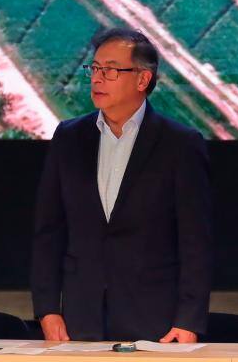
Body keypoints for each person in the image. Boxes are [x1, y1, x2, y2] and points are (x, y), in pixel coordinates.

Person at [31, 27, 211, 342]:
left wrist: (189, 320)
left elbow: (195, 241)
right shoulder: (69, 138)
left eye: (111, 70)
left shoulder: (180, 144)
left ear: (143, 79)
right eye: (95, 68)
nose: (97, 78)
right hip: (79, 320)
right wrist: (47, 309)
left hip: (155, 322)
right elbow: (49, 231)